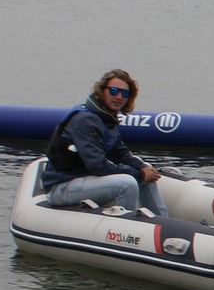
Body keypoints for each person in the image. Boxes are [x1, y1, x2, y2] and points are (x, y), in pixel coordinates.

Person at [39, 68, 169, 216]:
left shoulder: (107, 117)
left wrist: (142, 168)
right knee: (128, 184)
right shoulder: (85, 120)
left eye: (124, 93)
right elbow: (97, 165)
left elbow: (120, 152)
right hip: (62, 186)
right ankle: (125, 226)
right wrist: (139, 174)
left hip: (84, 178)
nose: (119, 96)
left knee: (145, 168)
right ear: (102, 91)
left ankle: (163, 220)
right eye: (114, 91)